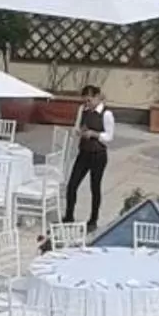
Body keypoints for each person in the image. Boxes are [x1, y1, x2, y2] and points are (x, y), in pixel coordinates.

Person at [64, 85, 115, 228]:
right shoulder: (83, 110)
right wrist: (79, 131)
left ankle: (93, 220)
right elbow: (76, 127)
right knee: (72, 185)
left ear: (97, 97)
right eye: (85, 101)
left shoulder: (106, 114)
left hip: (98, 155)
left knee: (95, 187)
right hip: (84, 152)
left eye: (89, 100)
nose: (87, 104)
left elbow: (109, 136)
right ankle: (68, 216)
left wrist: (94, 134)